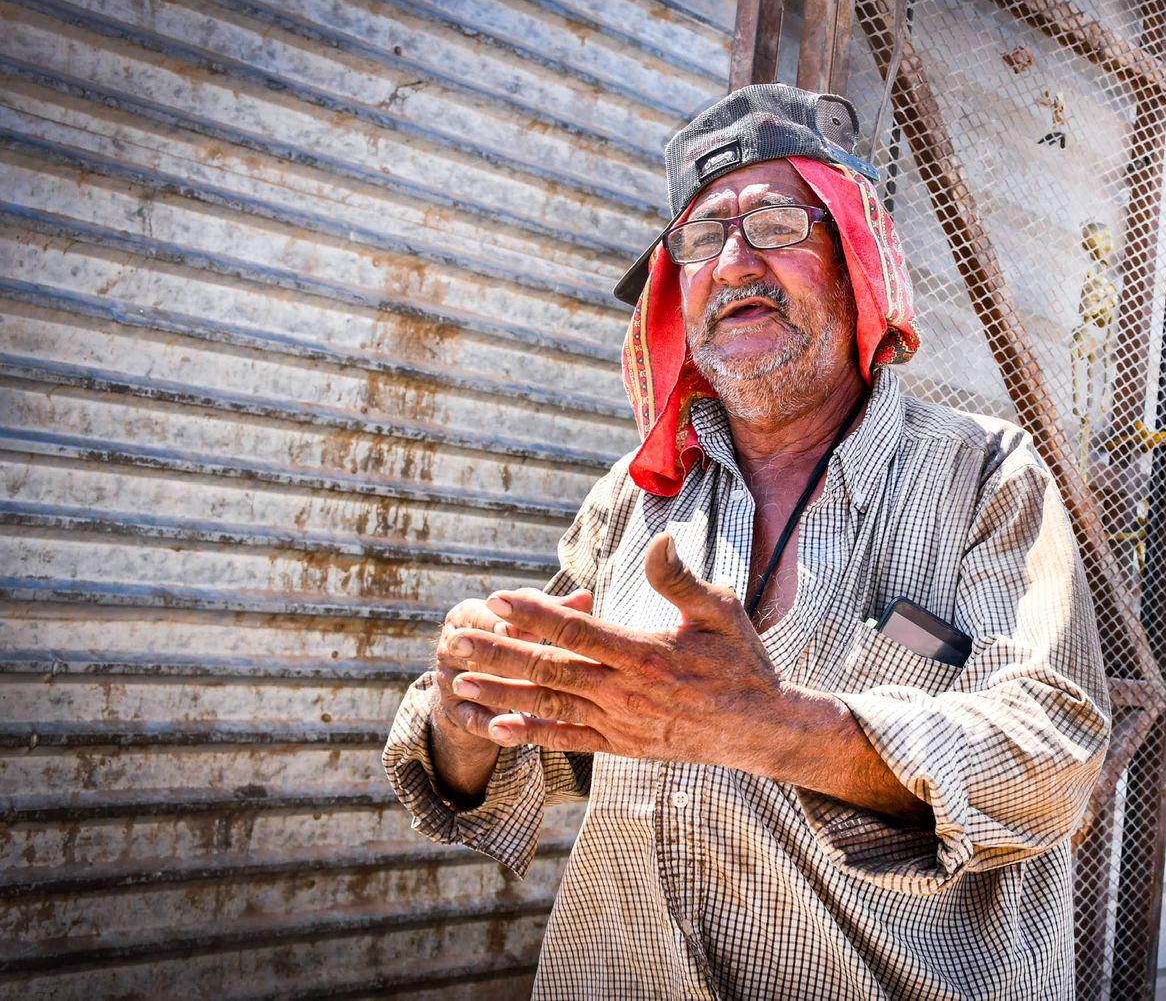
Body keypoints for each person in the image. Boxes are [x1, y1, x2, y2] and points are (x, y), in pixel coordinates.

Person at [383, 83, 1110, 999]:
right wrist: (467, 717)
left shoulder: (987, 476)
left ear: (855, 258)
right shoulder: (638, 495)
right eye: (698, 239)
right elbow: (554, 748)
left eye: (775, 223)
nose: (731, 264)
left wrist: (770, 730)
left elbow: (1055, 760)